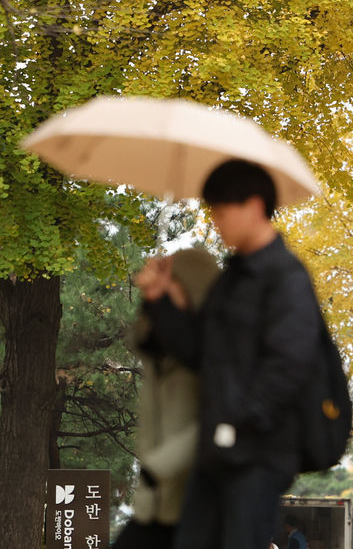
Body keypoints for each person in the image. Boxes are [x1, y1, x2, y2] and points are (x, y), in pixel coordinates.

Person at [136, 158, 322, 549]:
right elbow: (199, 352)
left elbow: (288, 368)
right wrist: (159, 303)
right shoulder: (232, 280)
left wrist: (235, 426)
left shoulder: (286, 279)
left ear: (254, 206)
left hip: (257, 455)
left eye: (222, 211)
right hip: (218, 451)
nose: (217, 222)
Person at [114, 246, 219, 549]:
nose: (164, 288)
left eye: (171, 282)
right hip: (158, 499)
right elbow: (143, 339)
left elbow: (217, 419)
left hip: (194, 495)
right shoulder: (165, 346)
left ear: (193, 286)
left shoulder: (213, 347)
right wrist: (152, 298)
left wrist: (158, 467)